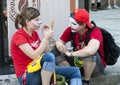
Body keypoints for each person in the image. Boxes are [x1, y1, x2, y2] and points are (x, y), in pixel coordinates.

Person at [10, 7, 82, 85]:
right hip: (27, 75)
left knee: (75, 71)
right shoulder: (19, 36)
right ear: (27, 22)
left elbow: (46, 52)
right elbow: (33, 55)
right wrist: (46, 39)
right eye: (37, 20)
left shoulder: (34, 33)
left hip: (40, 70)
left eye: (39, 19)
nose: (40, 22)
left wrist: (46, 37)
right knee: (49, 56)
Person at [54, 8, 106, 85]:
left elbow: (91, 50)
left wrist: (71, 54)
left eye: (74, 24)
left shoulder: (95, 31)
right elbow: (59, 42)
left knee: (89, 53)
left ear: (84, 24)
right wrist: (59, 44)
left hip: (95, 66)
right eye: (70, 22)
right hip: (78, 62)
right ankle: (71, 73)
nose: (70, 25)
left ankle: (86, 81)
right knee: (55, 51)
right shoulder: (71, 30)